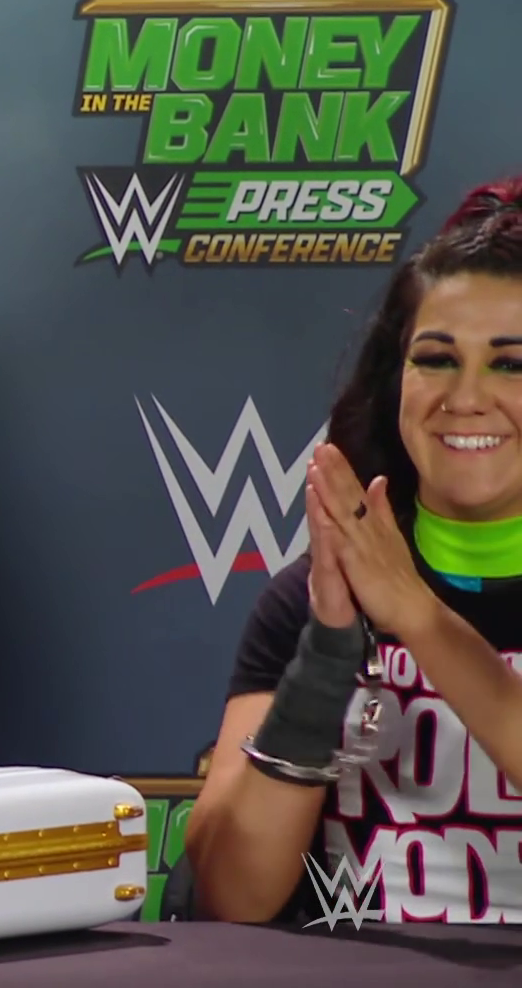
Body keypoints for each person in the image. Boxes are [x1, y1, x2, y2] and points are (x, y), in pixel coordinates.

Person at [183, 177, 522, 924]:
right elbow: (231, 898)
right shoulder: (311, 598)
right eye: (436, 358)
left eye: (511, 364)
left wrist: (415, 615)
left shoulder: (394, 596)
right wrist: (327, 656)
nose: (466, 397)